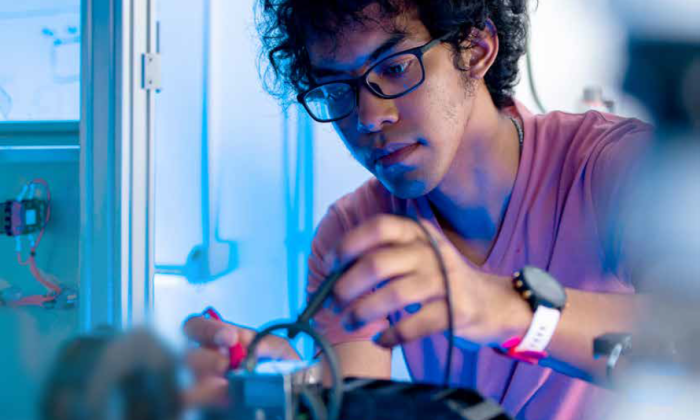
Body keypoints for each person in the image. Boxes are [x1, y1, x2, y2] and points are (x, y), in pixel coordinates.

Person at [183, 1, 653, 418]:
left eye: (394, 68)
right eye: (337, 89)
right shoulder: (355, 231)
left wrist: (507, 309)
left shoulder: (613, 168)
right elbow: (357, 400)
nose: (368, 116)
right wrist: (294, 395)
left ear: (476, 49)